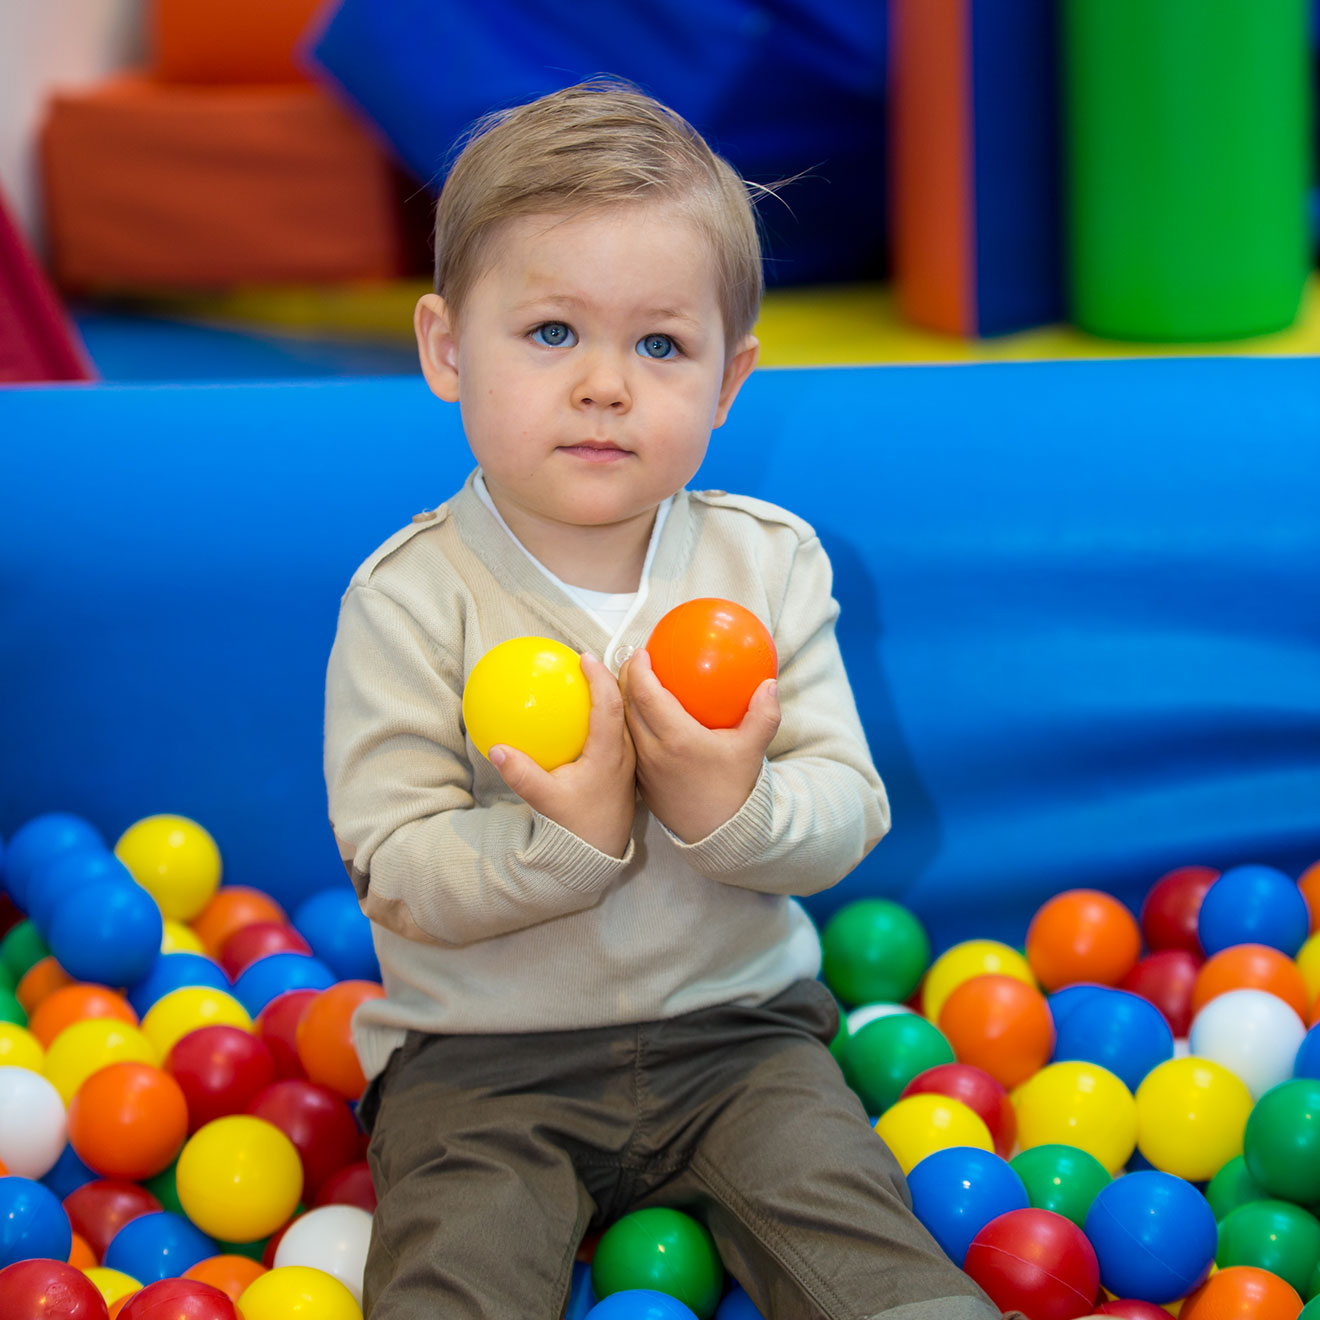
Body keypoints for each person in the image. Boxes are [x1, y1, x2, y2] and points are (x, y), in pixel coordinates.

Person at [324, 79, 1017, 1320]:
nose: (605, 385)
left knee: (871, 1253)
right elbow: (395, 867)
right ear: (445, 349)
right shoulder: (410, 598)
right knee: (455, 1272)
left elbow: (846, 809)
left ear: (729, 379)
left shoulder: (769, 566)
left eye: (659, 346)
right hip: (481, 1063)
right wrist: (564, 841)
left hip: (738, 1037)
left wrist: (729, 806)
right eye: (551, 332)